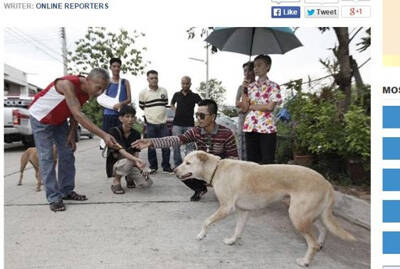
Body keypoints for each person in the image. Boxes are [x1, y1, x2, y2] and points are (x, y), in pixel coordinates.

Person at [29, 68, 119, 212]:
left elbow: (74, 114)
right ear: (88, 80)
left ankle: (66, 191)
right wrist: (104, 135)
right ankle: (54, 198)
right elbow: (78, 114)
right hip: (41, 118)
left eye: (103, 89)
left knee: (67, 153)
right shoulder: (67, 84)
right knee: (46, 158)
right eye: (98, 87)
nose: (99, 92)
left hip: (59, 120)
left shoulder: (85, 93)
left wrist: (71, 133)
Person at [132, 99, 238, 201]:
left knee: (223, 198)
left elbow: (234, 159)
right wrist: (151, 142)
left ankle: (222, 187)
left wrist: (219, 177)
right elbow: (177, 139)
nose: (198, 118)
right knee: (180, 171)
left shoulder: (226, 134)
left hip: (220, 172)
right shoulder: (196, 131)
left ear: (213, 117)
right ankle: (200, 189)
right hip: (202, 169)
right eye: (197, 115)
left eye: (202, 116)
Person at [241, 55, 282, 164]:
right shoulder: (250, 87)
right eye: (254, 66)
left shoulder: (274, 86)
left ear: (268, 67)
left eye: (259, 65)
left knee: (267, 162)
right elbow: (244, 108)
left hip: (267, 127)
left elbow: (270, 107)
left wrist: (252, 106)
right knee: (252, 162)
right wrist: (243, 89)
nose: (256, 68)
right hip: (250, 127)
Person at [107, 105, 152, 194]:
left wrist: (141, 167)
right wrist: (136, 160)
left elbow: (136, 153)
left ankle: (129, 177)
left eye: (132, 117)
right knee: (130, 161)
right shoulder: (114, 131)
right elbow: (122, 151)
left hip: (130, 162)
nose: (130, 119)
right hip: (115, 164)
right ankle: (116, 181)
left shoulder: (136, 134)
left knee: (147, 183)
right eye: (127, 116)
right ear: (121, 118)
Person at [139, 70, 173, 174]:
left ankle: (166, 166)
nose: (154, 80)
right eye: (152, 78)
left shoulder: (164, 91)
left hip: (163, 123)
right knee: (151, 146)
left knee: (166, 145)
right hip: (150, 124)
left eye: (156, 78)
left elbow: (164, 104)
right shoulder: (143, 93)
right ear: (148, 79)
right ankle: (153, 167)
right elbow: (142, 106)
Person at [103, 57, 132, 176]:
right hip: (108, 116)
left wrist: (121, 104)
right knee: (111, 145)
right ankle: (112, 172)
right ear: (110, 67)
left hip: (121, 116)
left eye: (118, 66)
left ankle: (127, 172)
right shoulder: (106, 82)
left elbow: (129, 99)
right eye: (114, 66)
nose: (116, 68)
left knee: (124, 144)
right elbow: (100, 98)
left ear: (120, 68)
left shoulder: (125, 82)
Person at [170, 76, 202, 167]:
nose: (185, 85)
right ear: (181, 83)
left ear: (190, 84)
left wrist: (198, 115)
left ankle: (188, 165)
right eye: (183, 83)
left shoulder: (195, 96)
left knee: (190, 146)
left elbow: (202, 105)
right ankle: (178, 165)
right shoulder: (176, 94)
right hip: (177, 124)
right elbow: (172, 104)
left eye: (187, 83)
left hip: (189, 124)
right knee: (176, 145)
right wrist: (175, 110)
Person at [235, 61, 255, 160]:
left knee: (253, 145)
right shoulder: (241, 88)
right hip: (243, 119)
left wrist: (245, 106)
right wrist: (244, 89)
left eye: (249, 70)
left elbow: (245, 106)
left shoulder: (258, 87)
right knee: (241, 143)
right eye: (244, 71)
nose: (246, 73)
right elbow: (237, 104)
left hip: (255, 120)